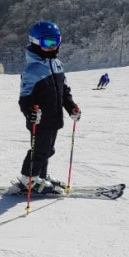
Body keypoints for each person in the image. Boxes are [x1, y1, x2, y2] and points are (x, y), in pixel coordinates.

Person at [18, 21, 81, 194]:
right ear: (35, 42)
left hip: (54, 118)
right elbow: (25, 98)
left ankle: (41, 176)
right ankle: (28, 180)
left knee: (48, 150)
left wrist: (71, 107)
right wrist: (30, 113)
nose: (52, 46)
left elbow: (64, 92)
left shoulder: (57, 64)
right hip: (39, 121)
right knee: (39, 151)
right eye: (47, 42)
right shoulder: (32, 70)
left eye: (56, 41)